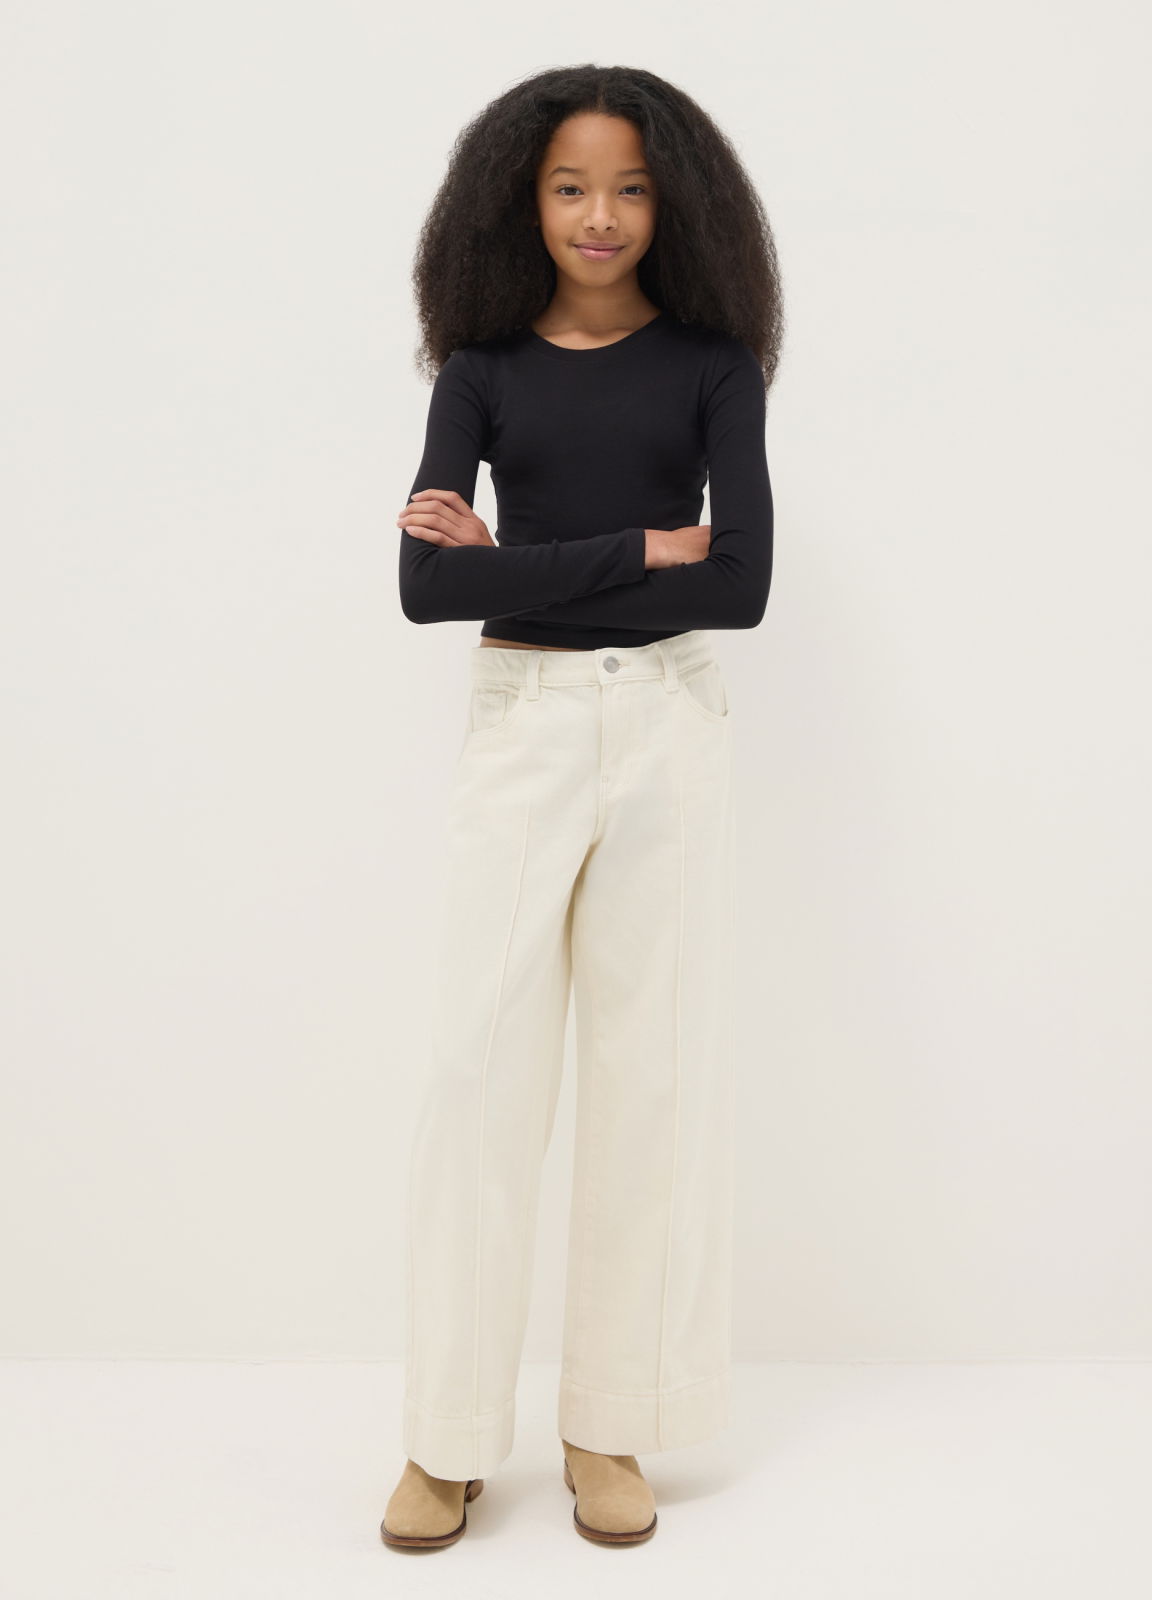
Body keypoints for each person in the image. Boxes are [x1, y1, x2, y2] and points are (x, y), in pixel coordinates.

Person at [381, 62, 783, 1551]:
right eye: (569, 187)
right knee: (475, 1075)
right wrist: (644, 549)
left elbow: (739, 585)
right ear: (522, 200)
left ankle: (609, 1424)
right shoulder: (481, 371)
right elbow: (426, 587)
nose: (599, 215)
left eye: (629, 188)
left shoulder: (714, 367)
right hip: (525, 725)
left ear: (675, 206)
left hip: (670, 724)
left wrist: (521, 561)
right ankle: (446, 1440)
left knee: (651, 1075)